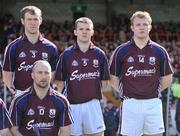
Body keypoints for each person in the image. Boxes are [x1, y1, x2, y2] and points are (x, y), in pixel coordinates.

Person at [109, 11, 173, 136]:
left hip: (153, 102)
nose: (142, 27)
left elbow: (168, 77)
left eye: (145, 24)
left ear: (150, 27)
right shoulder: (121, 50)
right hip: (130, 103)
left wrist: (156, 90)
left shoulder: (160, 51)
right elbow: (112, 77)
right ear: (132, 27)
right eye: (138, 24)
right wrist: (123, 92)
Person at [54, 17, 110, 136]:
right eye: (81, 29)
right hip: (72, 105)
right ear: (75, 32)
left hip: (93, 103)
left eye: (87, 29)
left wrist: (92, 94)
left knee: (97, 134)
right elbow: (59, 82)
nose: (84, 32)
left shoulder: (99, 54)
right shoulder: (66, 55)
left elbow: (105, 81)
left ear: (92, 32)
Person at [2, 5, 58, 94]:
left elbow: (54, 73)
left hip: (45, 95)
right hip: (21, 94)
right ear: (22, 21)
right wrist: (15, 92)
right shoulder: (13, 47)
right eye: (29, 19)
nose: (33, 23)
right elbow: (7, 73)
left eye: (35, 19)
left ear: (40, 20)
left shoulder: (51, 47)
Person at [9, 60, 73, 136]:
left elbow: (65, 131)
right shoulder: (19, 101)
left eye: (47, 73)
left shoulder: (61, 101)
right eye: (39, 72)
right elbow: (13, 130)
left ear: (51, 75)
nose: (43, 76)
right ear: (32, 75)